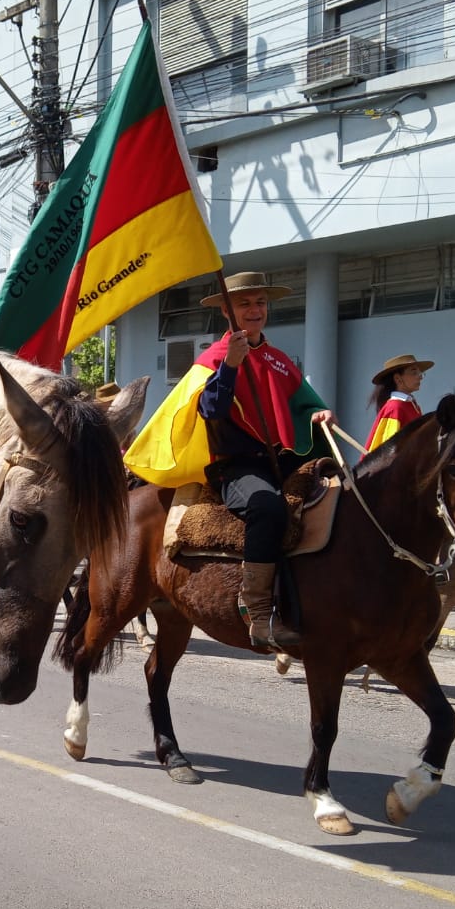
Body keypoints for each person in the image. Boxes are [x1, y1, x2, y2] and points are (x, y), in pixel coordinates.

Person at [124, 271, 335, 650]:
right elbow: (210, 408)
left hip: (281, 460)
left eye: (260, 303)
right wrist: (232, 366)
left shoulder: (279, 359)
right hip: (236, 465)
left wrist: (318, 413)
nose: (255, 310)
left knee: (338, 496)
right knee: (268, 509)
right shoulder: (215, 358)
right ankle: (257, 613)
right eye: (244, 303)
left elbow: (303, 403)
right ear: (227, 310)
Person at [364, 354, 433, 452]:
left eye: (420, 372)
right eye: (414, 372)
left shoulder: (412, 405)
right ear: (398, 378)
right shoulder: (395, 407)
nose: (420, 377)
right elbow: (389, 451)